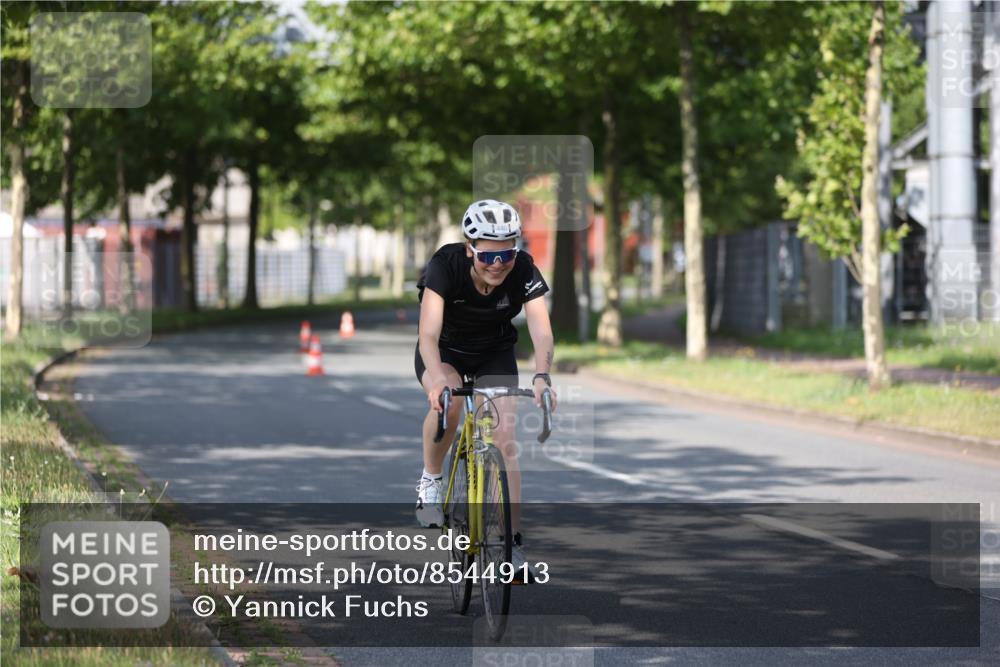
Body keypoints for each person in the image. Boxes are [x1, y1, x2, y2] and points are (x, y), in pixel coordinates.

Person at [414, 198, 558, 580]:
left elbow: (541, 329)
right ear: (470, 249)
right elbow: (428, 334)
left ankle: (512, 547)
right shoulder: (445, 265)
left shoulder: (522, 268)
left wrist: (542, 376)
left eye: (506, 255)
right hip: (445, 353)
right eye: (487, 256)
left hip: (494, 354)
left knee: (504, 441)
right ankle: (431, 479)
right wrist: (437, 379)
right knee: (450, 404)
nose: (497, 265)